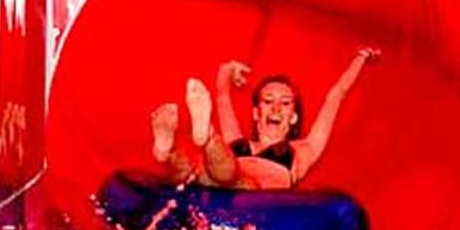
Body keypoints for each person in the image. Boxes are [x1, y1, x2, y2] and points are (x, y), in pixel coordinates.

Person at [151, 46, 380, 190]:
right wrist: (227, 70)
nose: (276, 108)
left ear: (293, 118)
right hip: (216, 181)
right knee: (190, 173)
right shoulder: (238, 141)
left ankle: (202, 138)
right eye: (268, 101)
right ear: (256, 113)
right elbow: (222, 97)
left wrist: (361, 57)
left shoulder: (305, 149)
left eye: (285, 103)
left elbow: (336, 95)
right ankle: (168, 150)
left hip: (251, 193)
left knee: (235, 179)